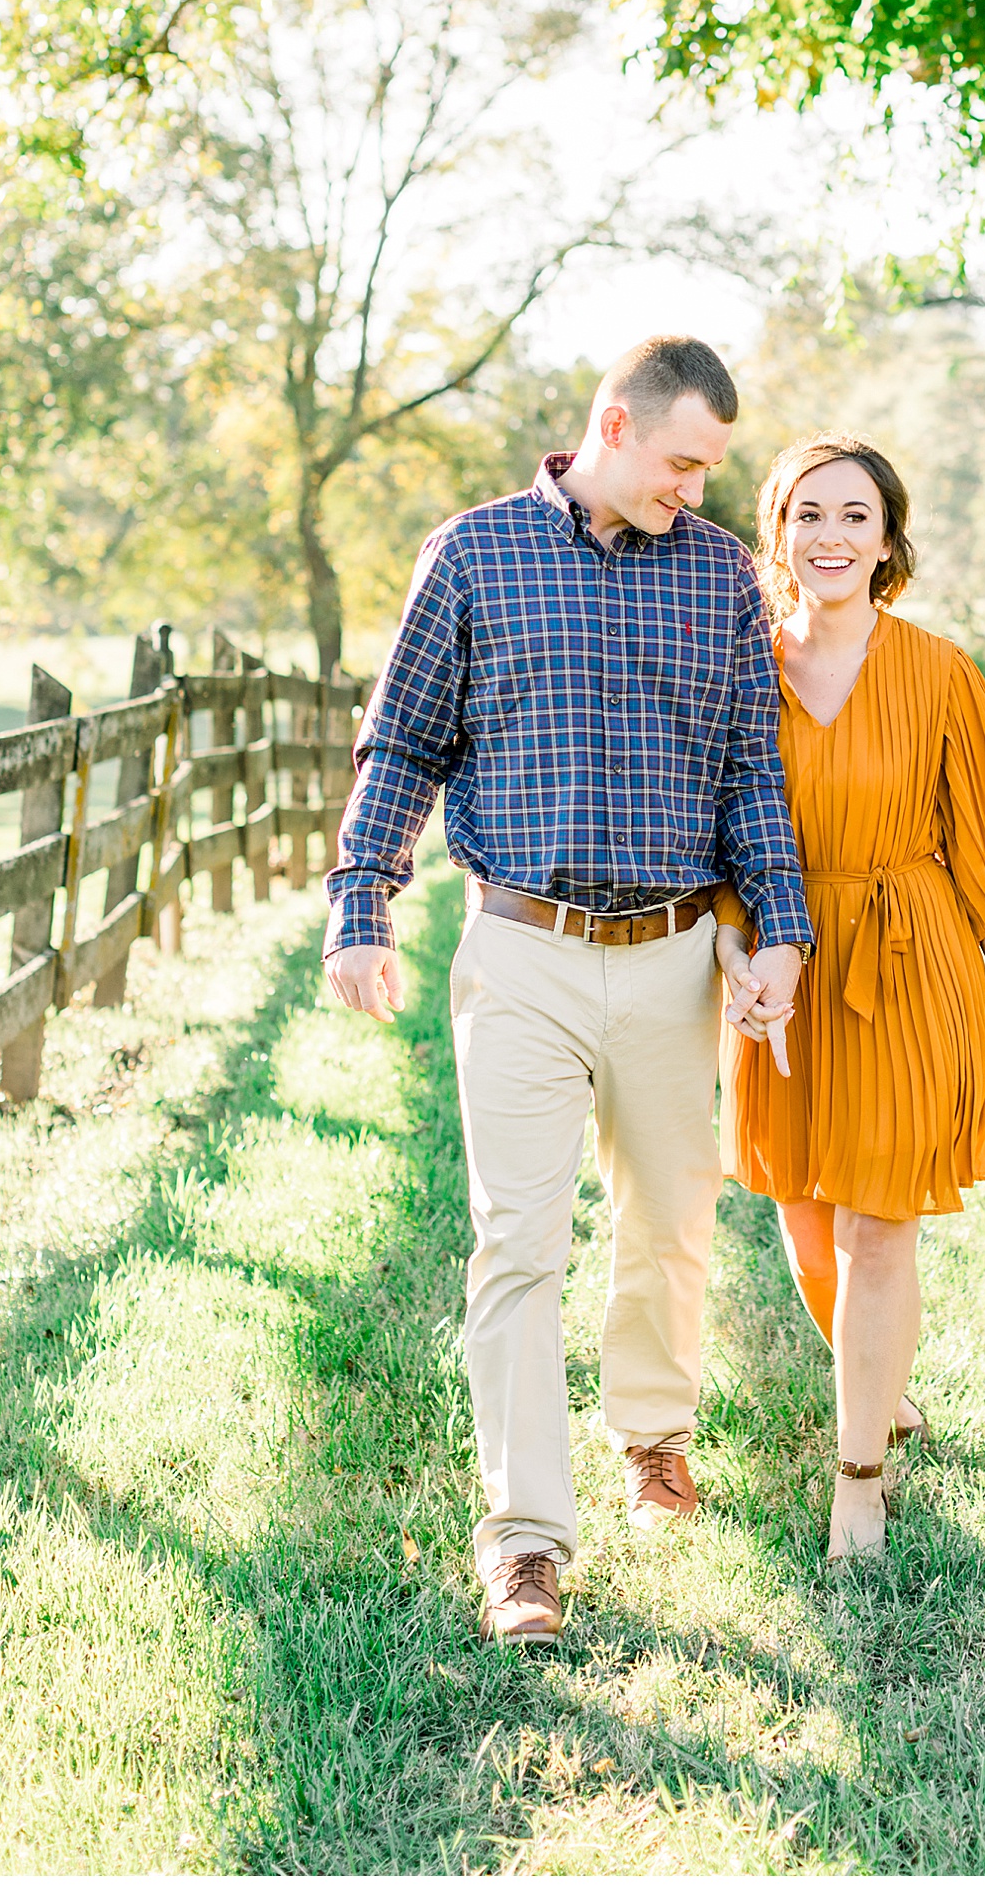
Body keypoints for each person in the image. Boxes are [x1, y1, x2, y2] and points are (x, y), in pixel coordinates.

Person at [323, 337, 807, 1645]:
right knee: (517, 1242)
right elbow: (404, 740)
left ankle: (653, 1437)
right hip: (522, 949)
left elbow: (751, 771)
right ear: (612, 424)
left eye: (711, 467)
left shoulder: (718, 575)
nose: (698, 490)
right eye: (682, 461)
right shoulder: (474, 554)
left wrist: (781, 932)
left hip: (670, 954)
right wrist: (362, 901)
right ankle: (527, 1537)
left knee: (671, 1220)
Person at [716, 434, 985, 1561]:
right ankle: (881, 1387)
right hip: (780, 966)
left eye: (855, 514)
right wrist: (732, 953)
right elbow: (709, 830)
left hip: (912, 959)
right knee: (802, 1218)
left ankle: (860, 1475)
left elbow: (980, 839)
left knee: (876, 1227)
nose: (831, 535)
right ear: (778, 533)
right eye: (808, 513)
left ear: (889, 538)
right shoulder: (739, 662)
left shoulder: (940, 671)